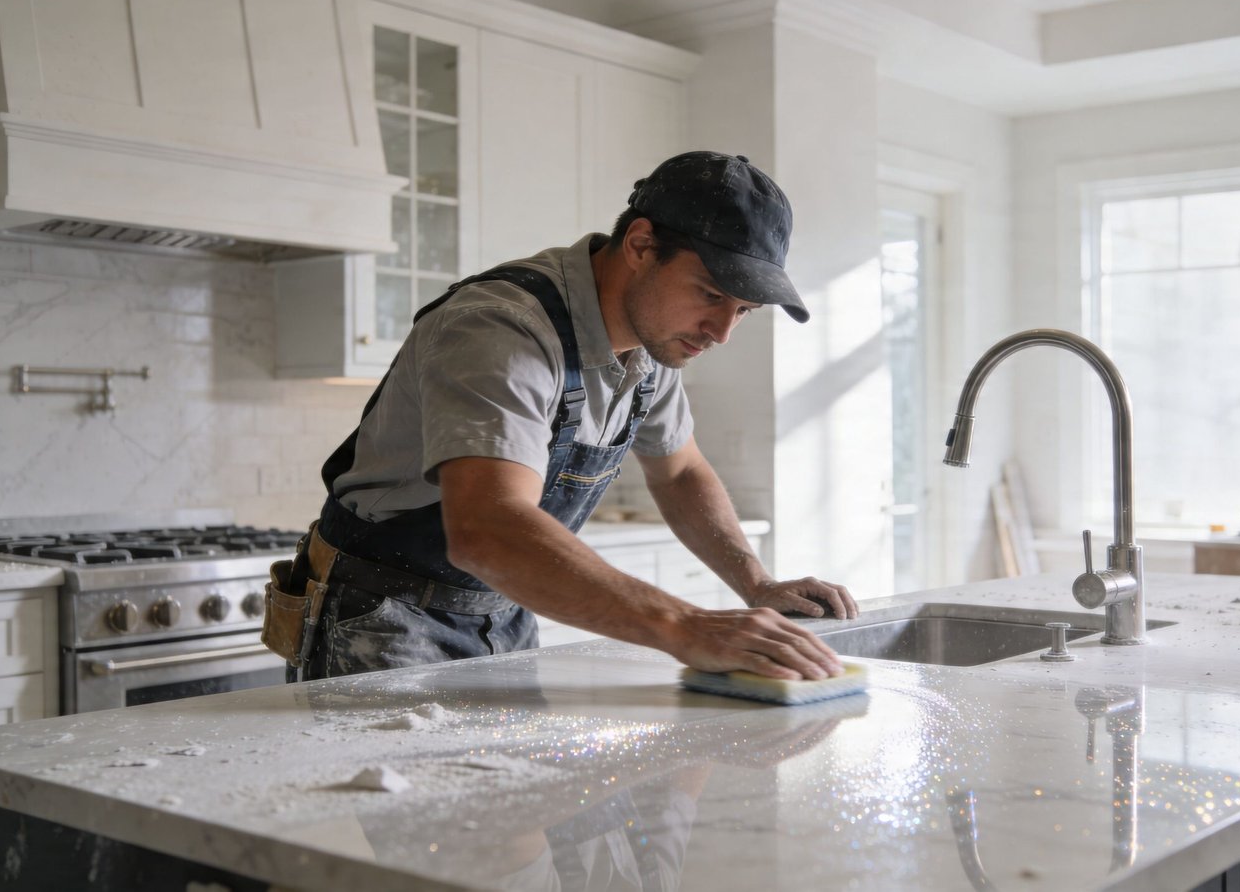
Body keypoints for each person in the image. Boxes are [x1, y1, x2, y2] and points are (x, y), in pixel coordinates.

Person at [272, 150, 857, 683]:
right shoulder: (500, 327)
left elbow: (679, 472)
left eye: (745, 310)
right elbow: (487, 528)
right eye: (709, 293)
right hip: (382, 617)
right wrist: (688, 626)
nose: (722, 332)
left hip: (505, 613)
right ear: (640, 246)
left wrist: (756, 584)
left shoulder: (653, 348)